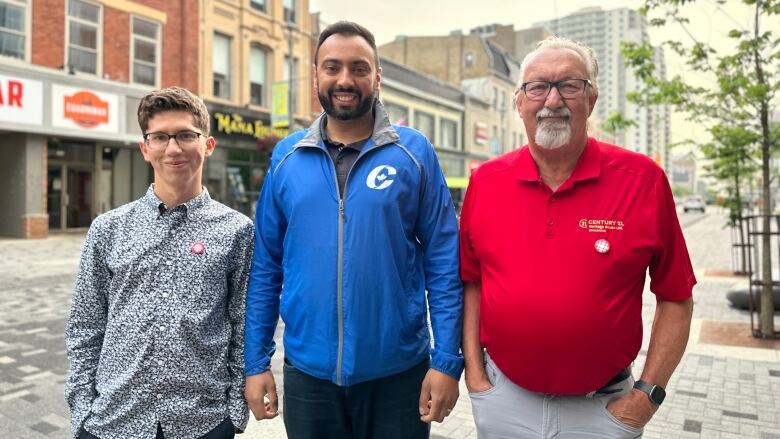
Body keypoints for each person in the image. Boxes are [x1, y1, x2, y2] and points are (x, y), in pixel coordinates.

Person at [459, 36, 695, 438]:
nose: (552, 101)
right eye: (537, 87)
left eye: (569, 85)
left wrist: (646, 396)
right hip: (504, 403)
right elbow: (472, 282)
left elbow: (676, 295)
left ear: (592, 98)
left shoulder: (643, 181)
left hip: (604, 409)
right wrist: (476, 376)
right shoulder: (486, 181)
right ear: (520, 102)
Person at [244, 21, 463, 439]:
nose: (345, 80)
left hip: (399, 375)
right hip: (310, 375)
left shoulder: (413, 153)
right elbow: (266, 267)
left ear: (377, 76)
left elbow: (443, 263)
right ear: (316, 76)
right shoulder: (286, 157)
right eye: (332, 67)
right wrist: (256, 363)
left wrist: (446, 360)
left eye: (359, 68)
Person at [65, 87, 253, 439]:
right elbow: (85, 326)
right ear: (145, 148)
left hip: (202, 423)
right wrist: (82, 413)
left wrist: (233, 413)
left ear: (207, 145)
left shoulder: (237, 231)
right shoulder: (108, 229)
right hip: (113, 421)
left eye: (185, 135)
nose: (173, 148)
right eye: (160, 137)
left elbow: (243, 325)